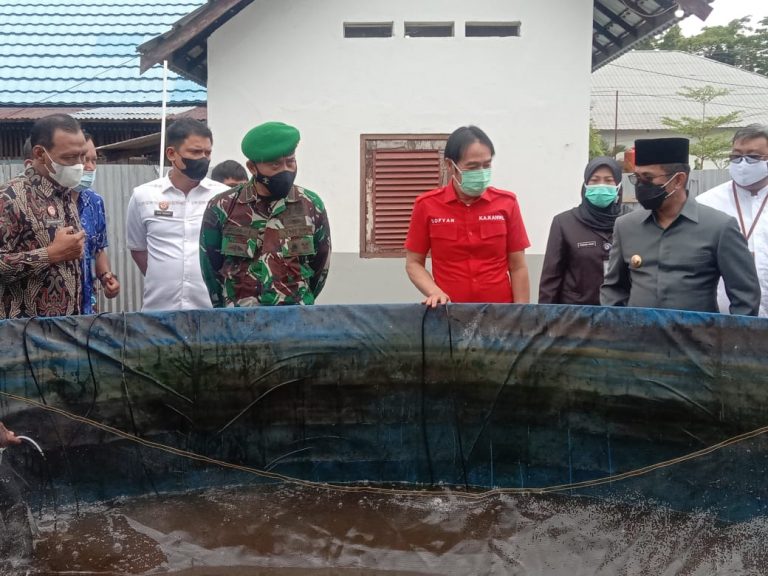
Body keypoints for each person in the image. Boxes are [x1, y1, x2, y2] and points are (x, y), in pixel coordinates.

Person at [601, 137, 760, 315]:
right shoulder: (626, 226)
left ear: (678, 180)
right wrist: (616, 326)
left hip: (696, 333)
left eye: (648, 178)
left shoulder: (720, 227)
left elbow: (745, 297)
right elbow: (613, 288)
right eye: (637, 177)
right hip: (638, 332)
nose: (640, 185)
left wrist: (729, 333)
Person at [200, 121, 331, 306]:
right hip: (241, 317)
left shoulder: (311, 204)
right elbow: (210, 267)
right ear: (252, 168)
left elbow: (320, 266)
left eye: (290, 162)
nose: (285, 170)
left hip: (294, 316)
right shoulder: (222, 206)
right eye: (275, 165)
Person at [404, 125, 530, 307]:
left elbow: (518, 266)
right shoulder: (427, 206)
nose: (481, 172)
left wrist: (522, 313)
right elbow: (413, 263)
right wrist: (434, 292)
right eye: (472, 167)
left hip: (499, 313)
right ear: (450, 165)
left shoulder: (506, 203)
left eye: (486, 165)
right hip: (450, 313)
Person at [126, 119, 229, 311]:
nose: (203, 158)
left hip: (210, 310)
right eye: (195, 152)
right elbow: (138, 249)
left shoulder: (223, 197)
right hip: (160, 309)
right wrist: (166, 278)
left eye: (207, 153)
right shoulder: (143, 196)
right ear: (171, 154)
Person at [0, 113, 86, 319]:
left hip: (67, 326)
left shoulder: (65, 194)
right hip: (22, 331)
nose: (79, 164)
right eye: (69, 157)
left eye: (81, 155)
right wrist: (50, 254)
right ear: (40, 153)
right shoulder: (10, 197)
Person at [697, 124, 768, 317]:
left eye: (753, 157)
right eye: (736, 156)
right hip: (724, 321)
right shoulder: (705, 204)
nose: (743, 163)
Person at [539, 157, 631, 305]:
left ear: (618, 185)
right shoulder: (564, 223)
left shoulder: (631, 221)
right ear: (585, 184)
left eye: (608, 180)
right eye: (594, 180)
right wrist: (545, 316)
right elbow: (551, 278)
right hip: (576, 313)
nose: (601, 185)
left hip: (621, 312)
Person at [75, 133, 120, 314]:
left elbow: (98, 249)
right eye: (84, 160)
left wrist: (106, 277)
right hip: (51, 315)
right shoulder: (45, 203)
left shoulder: (94, 201)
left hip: (88, 310)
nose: (90, 167)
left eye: (94, 160)